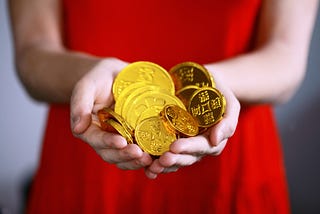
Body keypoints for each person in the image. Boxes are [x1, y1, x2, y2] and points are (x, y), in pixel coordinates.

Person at [9, 0, 318, 213]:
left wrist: (210, 84)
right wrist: (92, 74)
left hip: (229, 169)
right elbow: (33, 53)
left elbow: (286, 57)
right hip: (90, 153)